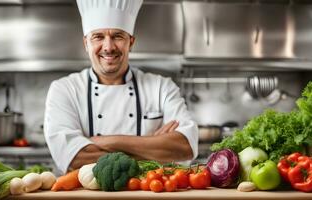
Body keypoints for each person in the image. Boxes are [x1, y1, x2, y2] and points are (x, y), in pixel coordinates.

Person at [44, 0, 198, 174]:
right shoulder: (64, 89)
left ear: (130, 42)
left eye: (118, 36)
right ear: (86, 43)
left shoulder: (162, 87)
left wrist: (106, 141)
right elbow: (73, 158)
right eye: (98, 37)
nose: (108, 47)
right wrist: (150, 146)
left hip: (149, 192)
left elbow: (184, 147)